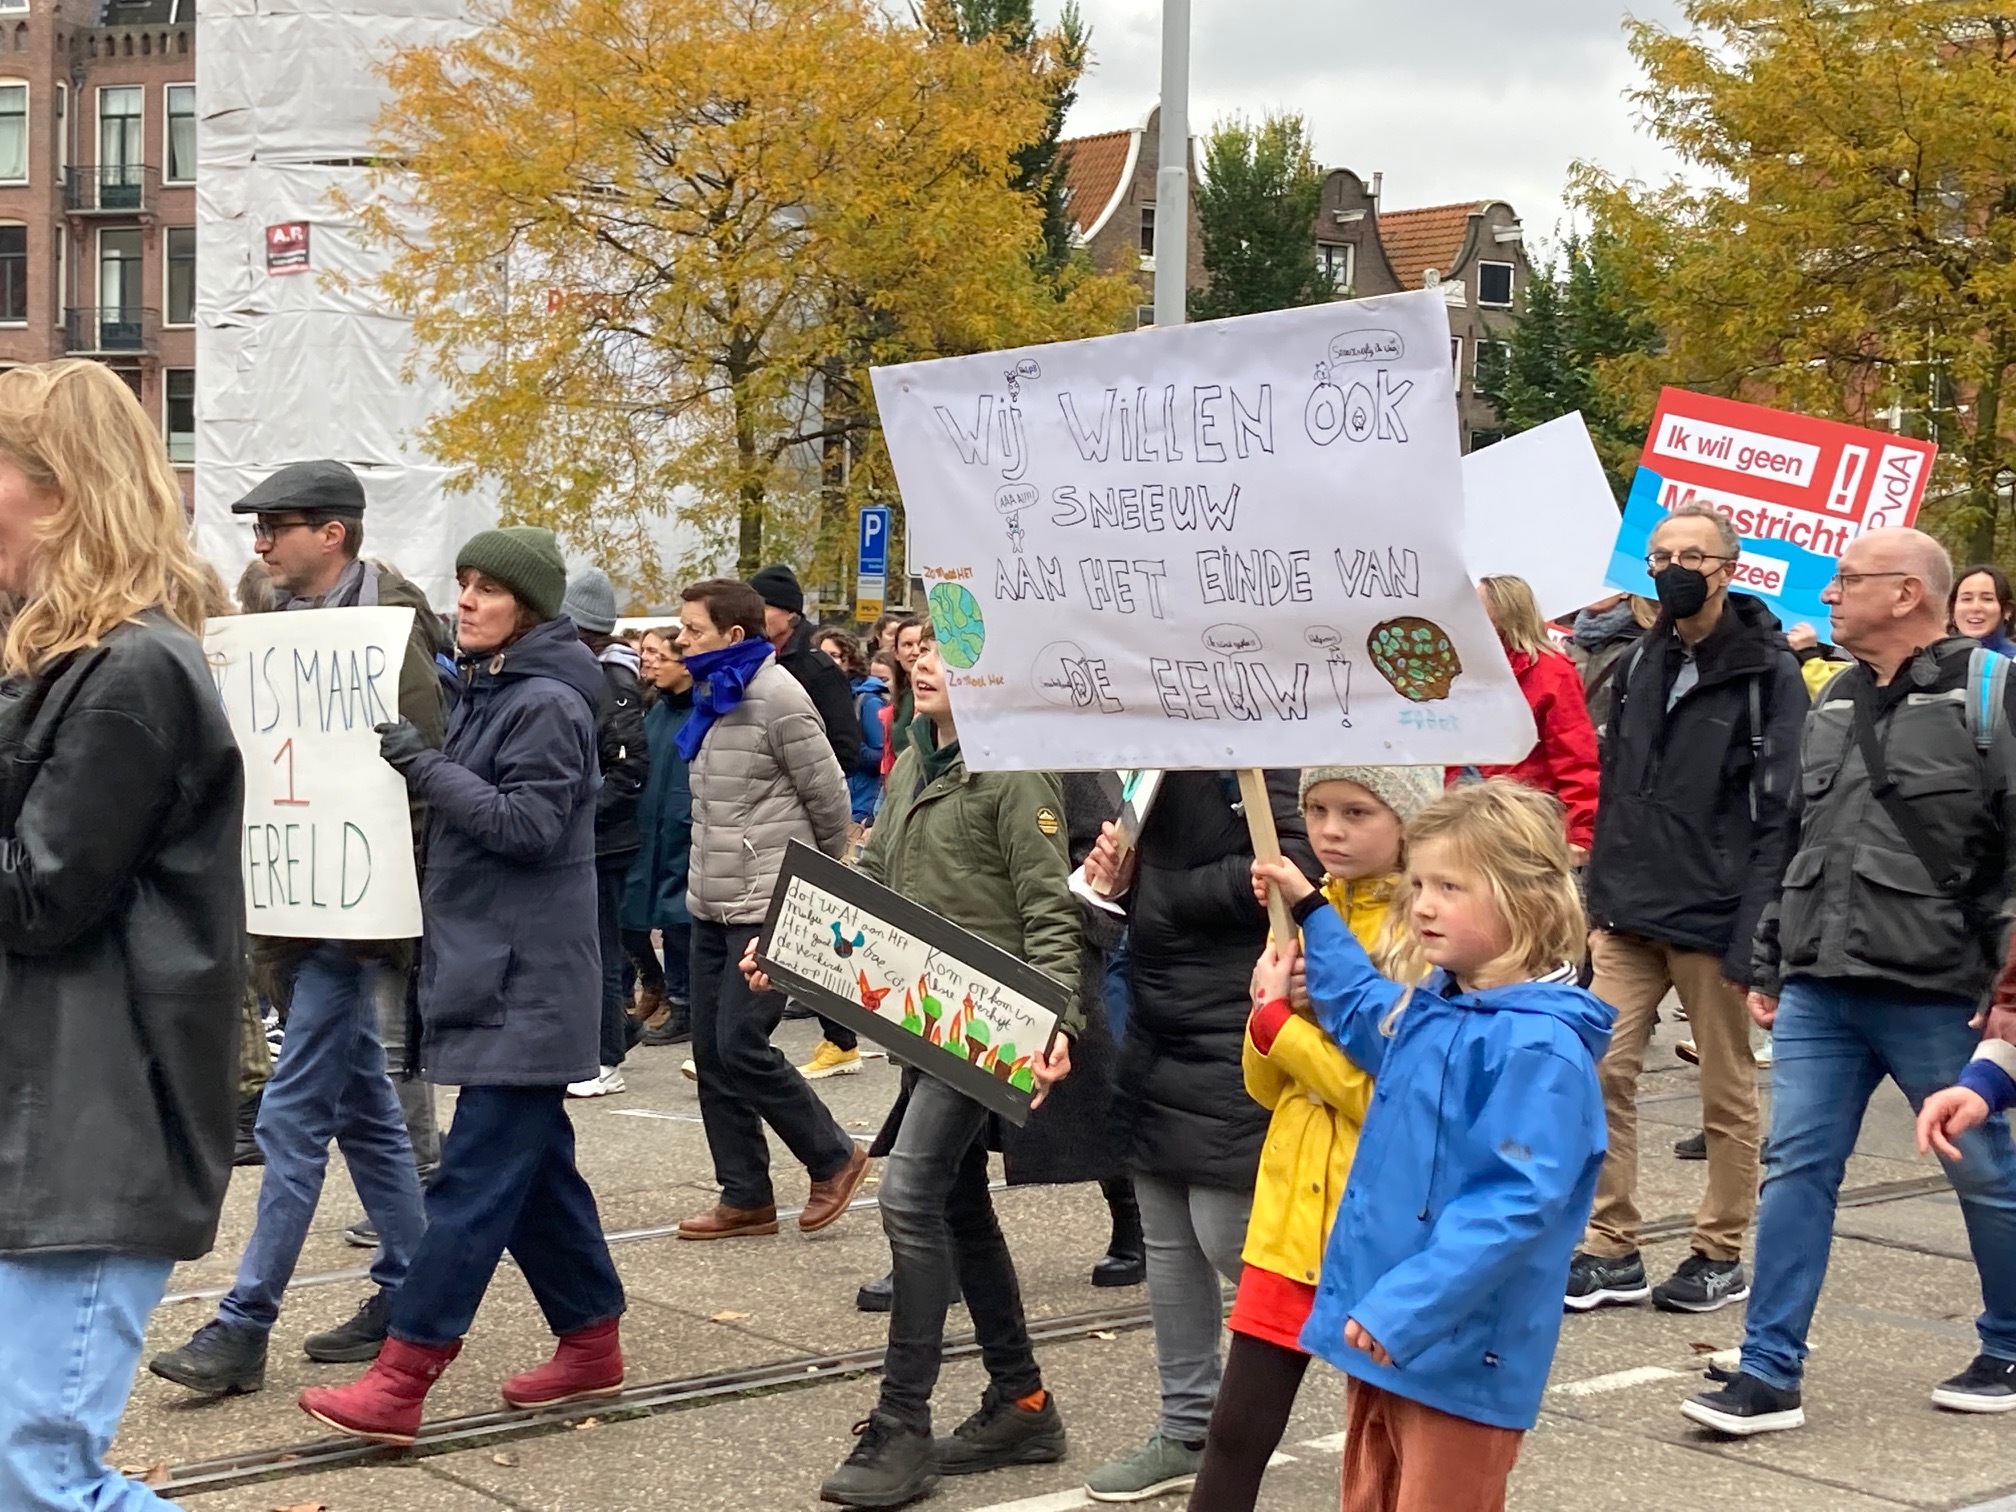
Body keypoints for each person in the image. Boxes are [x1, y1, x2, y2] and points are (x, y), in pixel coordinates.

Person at [1684, 527, 2016, 1435]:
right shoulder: (1832, 704)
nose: (1827, 596)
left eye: (1846, 581)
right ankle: (1767, 1371)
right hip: (1822, 987)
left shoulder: (1994, 695)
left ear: (1908, 593)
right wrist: (1774, 953)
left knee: (1981, 1170)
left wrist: (2006, 1003)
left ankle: (2010, 1341)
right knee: (1795, 1170)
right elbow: (1797, 840)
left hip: (1940, 987)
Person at [300, 526, 627, 1443]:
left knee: (476, 1180)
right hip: (497, 971)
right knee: (537, 1177)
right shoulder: (489, 688)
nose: (468, 600)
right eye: (464, 584)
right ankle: (592, 1340)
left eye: (487, 588)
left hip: (530, 983)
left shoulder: (550, 703)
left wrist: (421, 762)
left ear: (530, 606)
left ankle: (402, 1377)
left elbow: (526, 826)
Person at [0, 361, 245, 1512]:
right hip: (54, 1125)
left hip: (95, 1137)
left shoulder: (130, 672)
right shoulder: (68, 661)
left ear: (57, 492)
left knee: (38, 1481)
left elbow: (41, 898)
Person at [153, 460, 446, 1396]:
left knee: (288, 1117)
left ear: (335, 533)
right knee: (364, 1116)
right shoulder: (272, 631)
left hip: (356, 916)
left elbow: (425, 777)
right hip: (291, 909)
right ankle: (414, 1285)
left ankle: (244, 1323)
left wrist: (385, 907)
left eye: (276, 525)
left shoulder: (392, 631)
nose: (260, 542)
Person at [1258, 780, 1610, 1512]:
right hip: (1390, 1336)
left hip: (1452, 1353)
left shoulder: (1538, 1047)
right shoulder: (1440, 1005)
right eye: (1418, 882)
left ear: (1528, 901)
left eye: (1450, 886)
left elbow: (1512, 1205)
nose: (1420, 903)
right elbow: (1360, 1007)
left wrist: (1404, 1309)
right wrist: (1313, 911)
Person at [799, 639, 1080, 1507]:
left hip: (985, 1026)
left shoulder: (1015, 771)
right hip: (920, 1017)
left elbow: (1049, 907)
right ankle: (1022, 1401)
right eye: (918, 652)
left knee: (911, 1194)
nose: (925, 667)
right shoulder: (915, 757)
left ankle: (903, 1425)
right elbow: (875, 878)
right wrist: (796, 947)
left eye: (951, 656)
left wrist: (1056, 1021)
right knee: (956, 1200)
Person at [1566, 503, 1807, 1315]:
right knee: (1598, 1072)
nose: (1673, 565)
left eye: (1692, 554)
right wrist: (1600, 903)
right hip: (1628, 911)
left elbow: (1780, 815)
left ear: (1728, 569)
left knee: (1725, 1094)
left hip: (1715, 915)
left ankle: (1718, 1249)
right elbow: (1617, 790)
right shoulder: (1638, 663)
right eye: (1662, 552)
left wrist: (1755, 935)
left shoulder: (1768, 674)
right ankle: (1612, 1246)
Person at [1187, 766, 1440, 1512]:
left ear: (1407, 820)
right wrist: (1270, 1015)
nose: (1330, 830)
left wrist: (1286, 1029)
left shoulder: (1426, 933)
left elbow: (1396, 1101)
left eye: (1357, 812)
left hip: (1381, 1226)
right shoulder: (1302, 916)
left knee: (1390, 1441)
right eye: (1318, 810)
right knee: (1235, 1432)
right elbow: (1267, 1089)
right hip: (1291, 1219)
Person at [1081, 770, 1319, 1503]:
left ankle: (1375, 1364)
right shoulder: (1143, 766)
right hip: (1158, 1024)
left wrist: (1164, 887)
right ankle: (1187, 1427)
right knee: (1167, 1240)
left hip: (1236, 1022)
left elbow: (1299, 867)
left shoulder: (1252, 755)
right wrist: (1113, 882)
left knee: (1226, 1233)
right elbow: (1130, 898)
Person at [673, 578, 869, 1241]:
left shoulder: (780, 697)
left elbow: (830, 799)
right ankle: (745, 1195)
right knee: (710, 1052)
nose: (680, 639)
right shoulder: (711, 695)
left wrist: (818, 882)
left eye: (692, 630)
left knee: (740, 1043)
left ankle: (834, 1156)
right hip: (710, 898)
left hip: (768, 898)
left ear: (733, 636)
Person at [560, 568, 650, 1100]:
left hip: (604, 840)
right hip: (590, 835)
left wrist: (582, 816)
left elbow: (629, 766)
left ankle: (606, 1056)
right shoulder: (586, 675)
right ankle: (611, 1037)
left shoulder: (611, 683)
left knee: (599, 946)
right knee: (586, 946)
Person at [1456, 574, 1600, 857]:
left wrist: (1581, 833)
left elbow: (1575, 757)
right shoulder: (1462, 665)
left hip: (1522, 818)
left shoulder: (1552, 673)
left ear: (1503, 612)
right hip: (1462, 809)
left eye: (1476, 605)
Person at [624, 630, 696, 1048]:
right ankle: (658, 984)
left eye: (658, 655)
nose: (648, 662)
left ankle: (683, 1004)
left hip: (682, 829)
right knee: (635, 914)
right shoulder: (656, 710)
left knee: (678, 920)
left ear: (683, 664)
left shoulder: (702, 711)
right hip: (650, 827)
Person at [748, 563, 863, 774]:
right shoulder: (753, 661)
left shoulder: (819, 670)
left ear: (790, 613)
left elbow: (846, 751)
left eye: (763, 608)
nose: (754, 617)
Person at [1566, 593, 1656, 745]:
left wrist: (1586, 744)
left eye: (1605, 583)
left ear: (1624, 592)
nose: (1594, 590)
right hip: (1568, 756)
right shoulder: (1570, 643)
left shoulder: (1642, 646)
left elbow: (1636, 713)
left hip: (1607, 756)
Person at [1952, 563, 2016, 658]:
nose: (1975, 607)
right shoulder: (1934, 661)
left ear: (2007, 610)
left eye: (1987, 599)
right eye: (1966, 599)